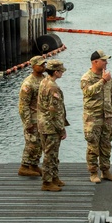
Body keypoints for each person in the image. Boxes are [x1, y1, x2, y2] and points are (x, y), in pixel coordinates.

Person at [80, 49, 112, 183]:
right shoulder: (87, 77)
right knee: (93, 146)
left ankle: (106, 171)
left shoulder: (108, 77)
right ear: (95, 62)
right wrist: (102, 81)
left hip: (106, 117)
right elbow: (88, 92)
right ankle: (93, 172)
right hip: (93, 118)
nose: (106, 62)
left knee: (106, 145)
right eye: (104, 60)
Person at [37, 59, 69, 191]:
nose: (62, 73)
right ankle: (47, 182)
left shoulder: (44, 82)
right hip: (51, 126)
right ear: (56, 72)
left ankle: (54, 177)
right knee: (50, 155)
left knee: (53, 153)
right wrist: (61, 129)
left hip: (43, 124)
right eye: (61, 71)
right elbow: (54, 111)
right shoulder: (52, 87)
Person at [17, 56, 47, 177]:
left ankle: (34, 165)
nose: (43, 66)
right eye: (40, 65)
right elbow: (23, 105)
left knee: (39, 143)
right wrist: (27, 122)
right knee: (32, 143)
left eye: (44, 64)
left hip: (41, 118)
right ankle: (24, 166)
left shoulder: (43, 79)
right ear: (33, 66)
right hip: (32, 118)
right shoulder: (28, 83)